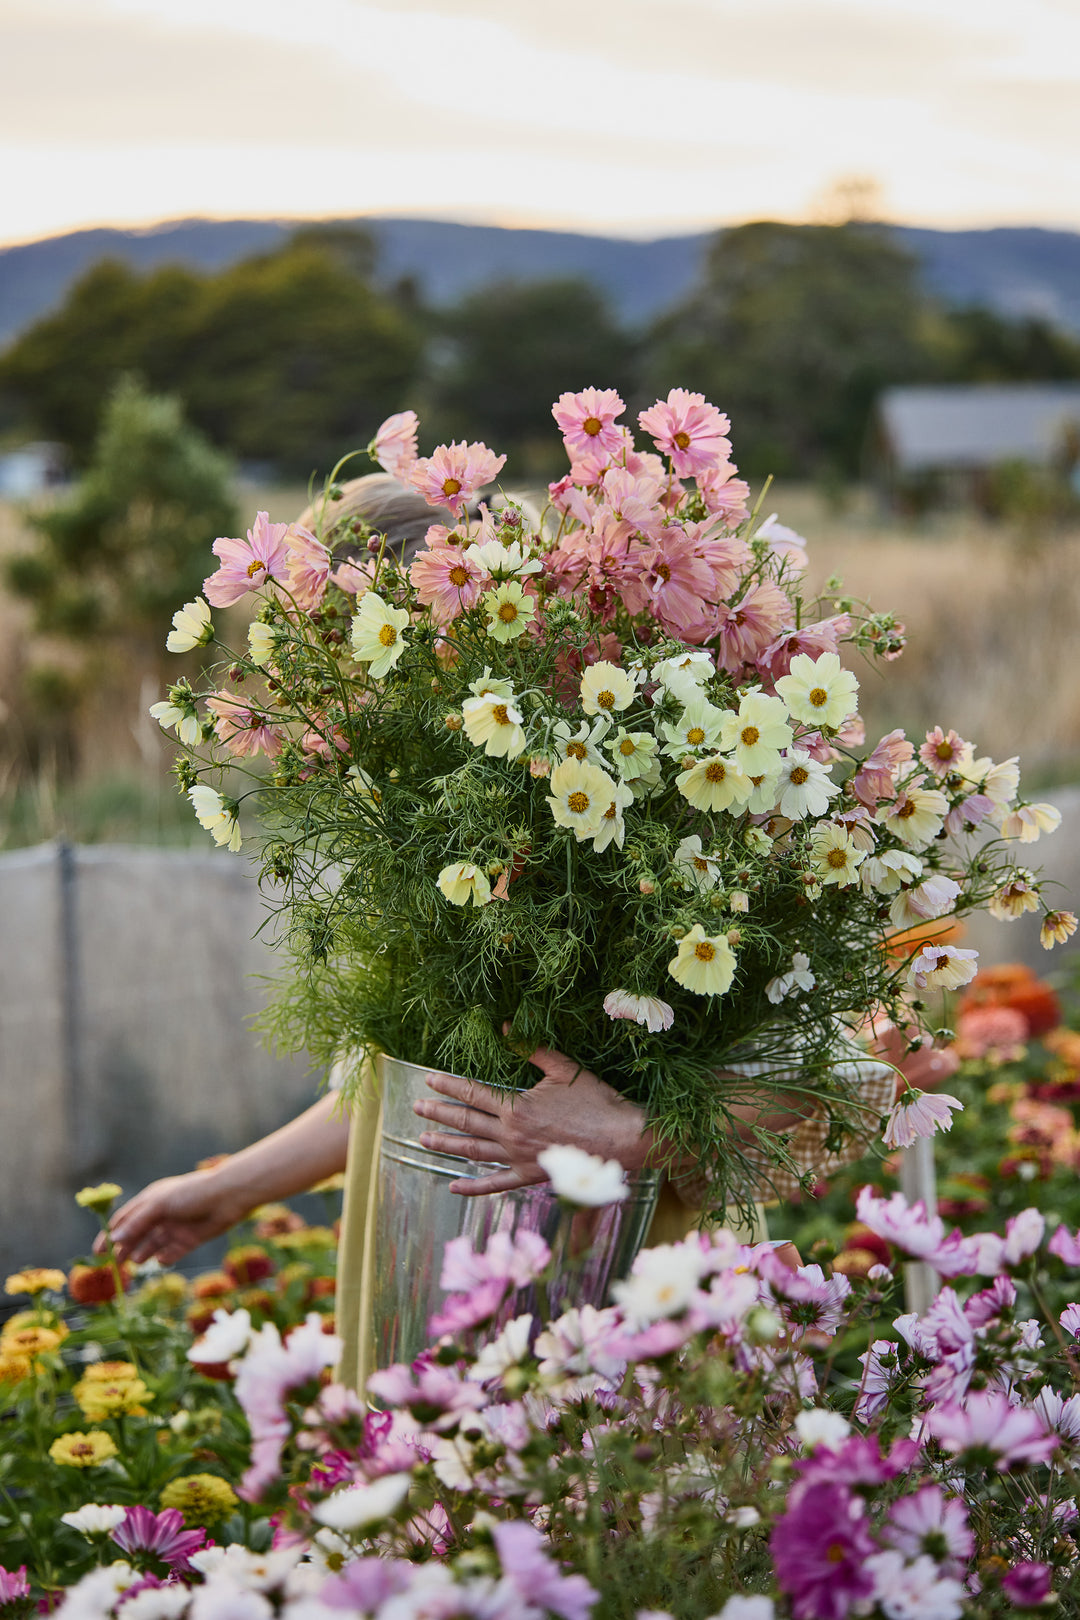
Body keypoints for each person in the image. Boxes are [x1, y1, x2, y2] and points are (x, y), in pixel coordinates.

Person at [103, 475, 955, 1386]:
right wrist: (224, 1192)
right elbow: (408, 1086)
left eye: (377, 649)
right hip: (431, 1269)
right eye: (333, 667)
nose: (342, 705)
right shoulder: (421, 816)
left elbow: (861, 1066)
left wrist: (636, 1134)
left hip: (640, 1285)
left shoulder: (675, 788)